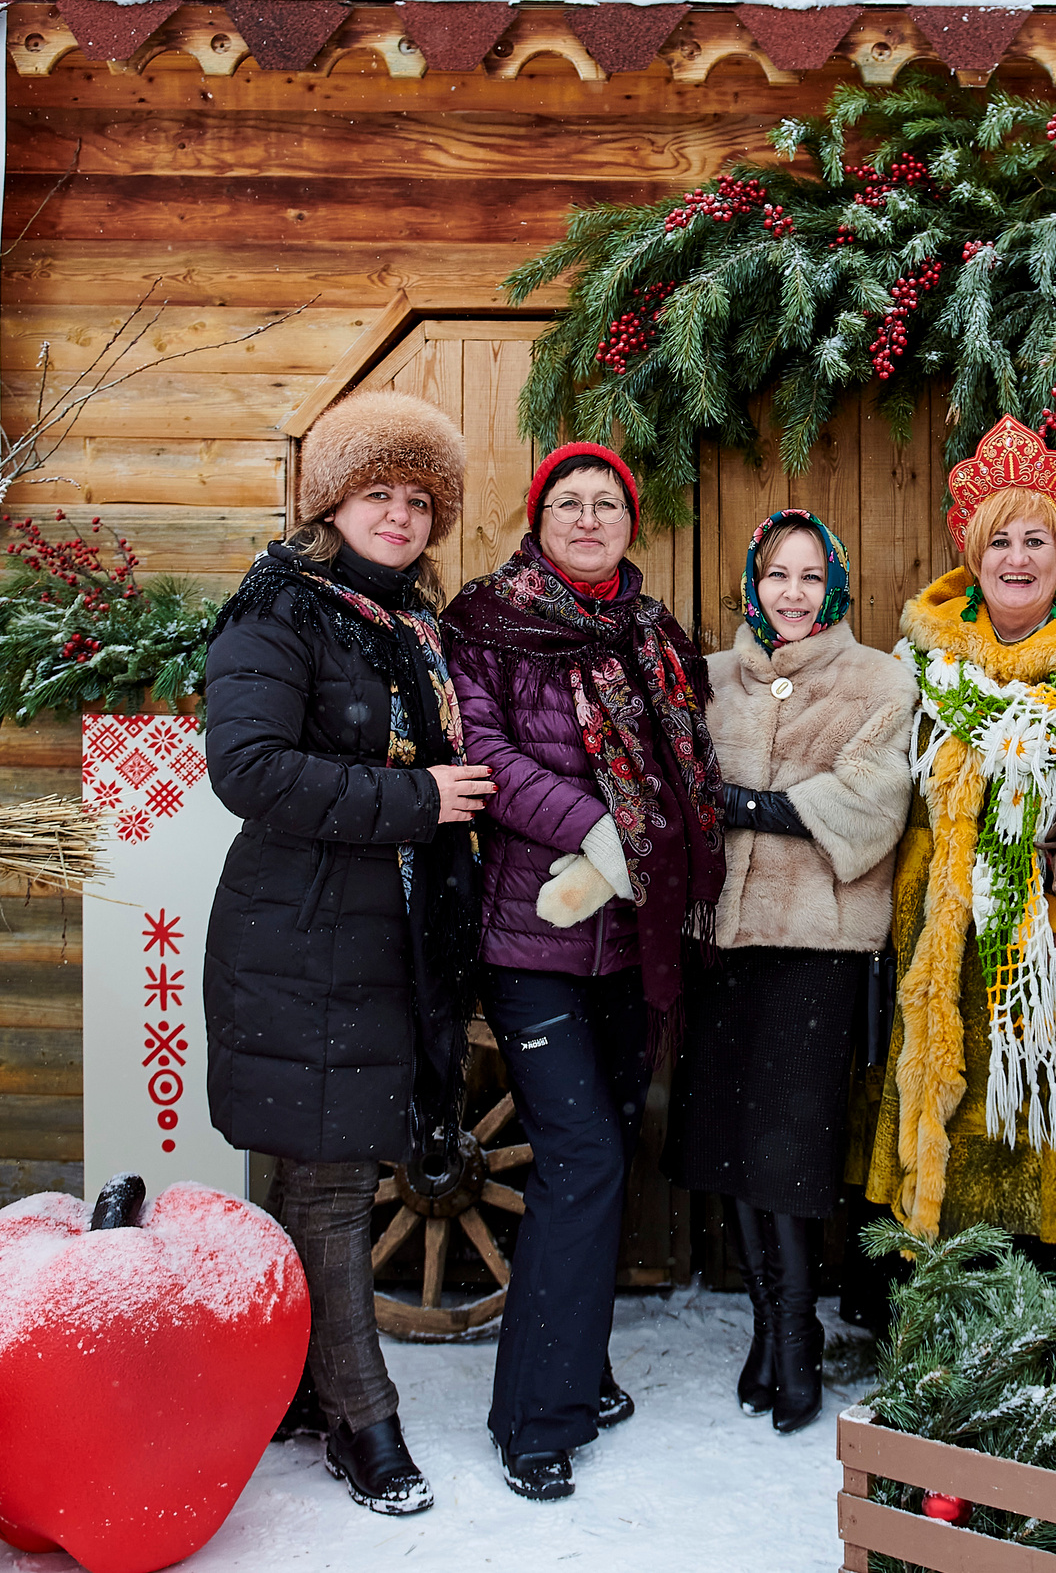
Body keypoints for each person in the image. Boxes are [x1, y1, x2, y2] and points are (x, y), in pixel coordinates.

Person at [201, 389, 491, 1516]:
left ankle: (288, 1390)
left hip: (382, 942)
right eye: (380, 492)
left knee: (322, 1175)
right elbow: (251, 773)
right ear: (333, 500)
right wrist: (415, 797)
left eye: (421, 499)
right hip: (302, 941)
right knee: (325, 1187)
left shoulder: (411, 623)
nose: (401, 515)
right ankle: (366, 1425)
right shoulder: (278, 613)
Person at [443, 442, 726, 1502]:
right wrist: (601, 831)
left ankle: (579, 1366)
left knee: (604, 1151)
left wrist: (656, 848)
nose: (589, 516)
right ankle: (535, 1422)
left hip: (629, 940)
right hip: (534, 937)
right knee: (584, 1160)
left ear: (628, 522)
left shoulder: (652, 633)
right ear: (538, 517)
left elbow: (683, 758)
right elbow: (487, 754)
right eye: (569, 502)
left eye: (607, 503)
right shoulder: (488, 620)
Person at [860, 417, 1056, 1247]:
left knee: (1028, 1134)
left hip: (1039, 957)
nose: (1017, 558)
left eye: (1036, 540)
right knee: (932, 1122)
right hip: (933, 944)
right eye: (1000, 542)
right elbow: (887, 794)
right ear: (973, 557)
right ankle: (926, 1309)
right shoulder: (926, 668)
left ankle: (1031, 1311)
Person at [669, 510, 916, 1434]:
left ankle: (799, 1335)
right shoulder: (711, 681)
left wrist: (740, 803)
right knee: (729, 1144)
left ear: (836, 588)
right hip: (725, 941)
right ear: (753, 583)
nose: (793, 593)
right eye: (777, 574)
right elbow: (669, 779)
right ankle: (768, 1329)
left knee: (788, 1149)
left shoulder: (879, 679)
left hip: (819, 946)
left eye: (811, 577)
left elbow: (869, 802)